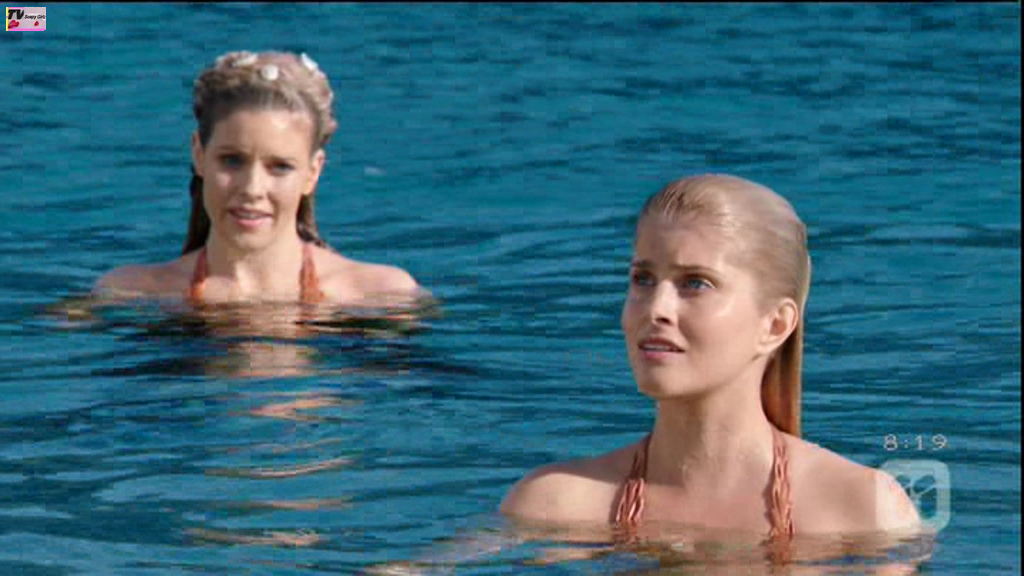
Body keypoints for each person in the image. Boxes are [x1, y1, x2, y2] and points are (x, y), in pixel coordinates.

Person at [500, 174, 922, 547]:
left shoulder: (861, 511)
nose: (656, 308)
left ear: (775, 325)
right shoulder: (555, 506)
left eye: (696, 283)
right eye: (643, 279)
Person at [93, 50, 421, 307]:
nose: (252, 188)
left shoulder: (382, 297)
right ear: (199, 155)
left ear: (313, 172)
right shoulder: (129, 294)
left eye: (280, 167)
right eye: (232, 160)